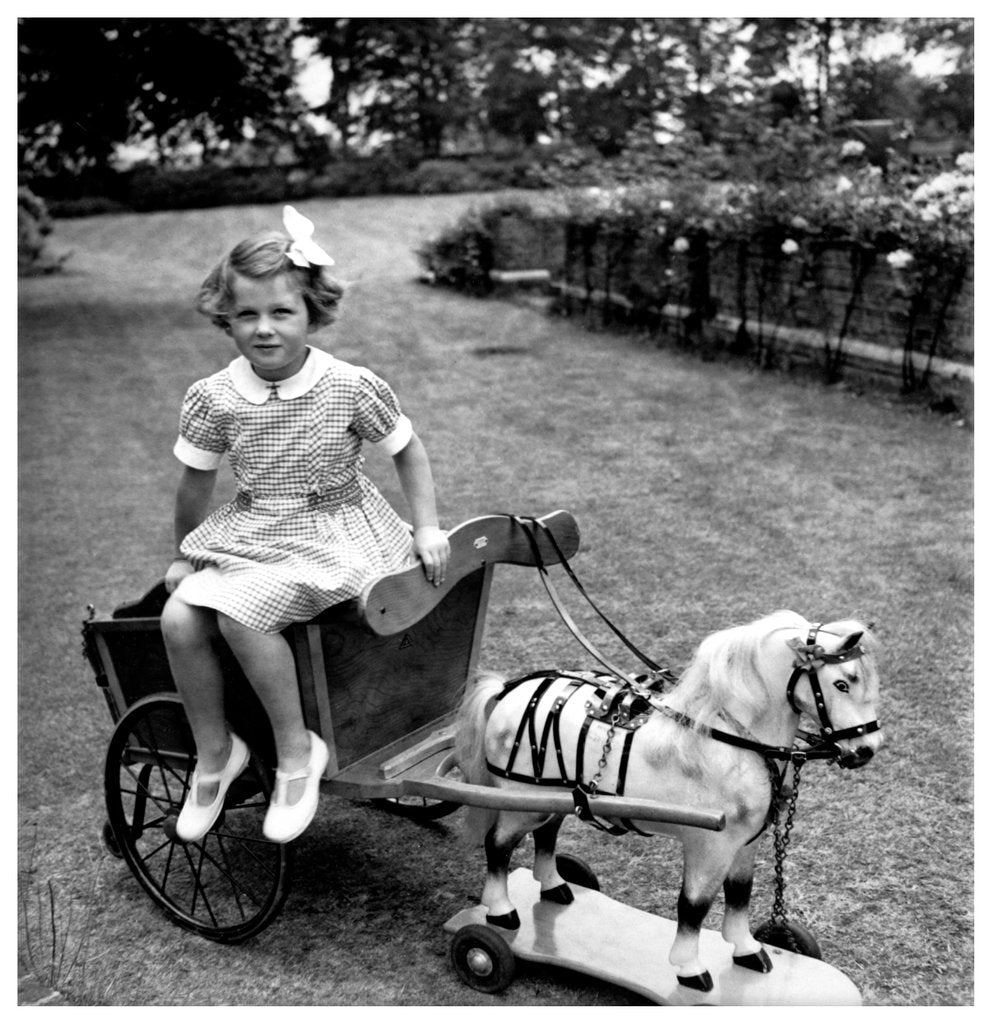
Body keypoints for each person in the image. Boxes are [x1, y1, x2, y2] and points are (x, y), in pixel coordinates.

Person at [161, 206, 450, 845]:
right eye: (246, 314)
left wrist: (427, 527)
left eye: (281, 312)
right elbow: (195, 482)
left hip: (334, 531)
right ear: (226, 317)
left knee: (242, 613)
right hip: (257, 529)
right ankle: (216, 753)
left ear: (312, 313)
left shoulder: (348, 385)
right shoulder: (214, 397)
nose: (264, 329)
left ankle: (297, 752)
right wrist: (184, 555)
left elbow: (407, 450)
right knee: (178, 618)